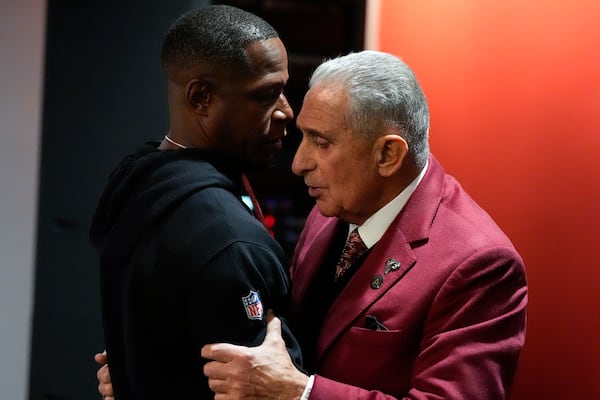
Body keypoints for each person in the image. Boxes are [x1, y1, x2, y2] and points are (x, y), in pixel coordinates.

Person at [96, 51, 528, 399]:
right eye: (301, 136)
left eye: (321, 143)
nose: (299, 163)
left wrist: (301, 393)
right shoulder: (334, 209)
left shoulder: (480, 264)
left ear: (387, 155)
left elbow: (284, 378)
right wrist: (149, 375)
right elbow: (276, 348)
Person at [89, 5, 302, 399]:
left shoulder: (139, 182)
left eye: (284, 90)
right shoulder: (228, 241)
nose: (286, 111)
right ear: (201, 97)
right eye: (265, 95)